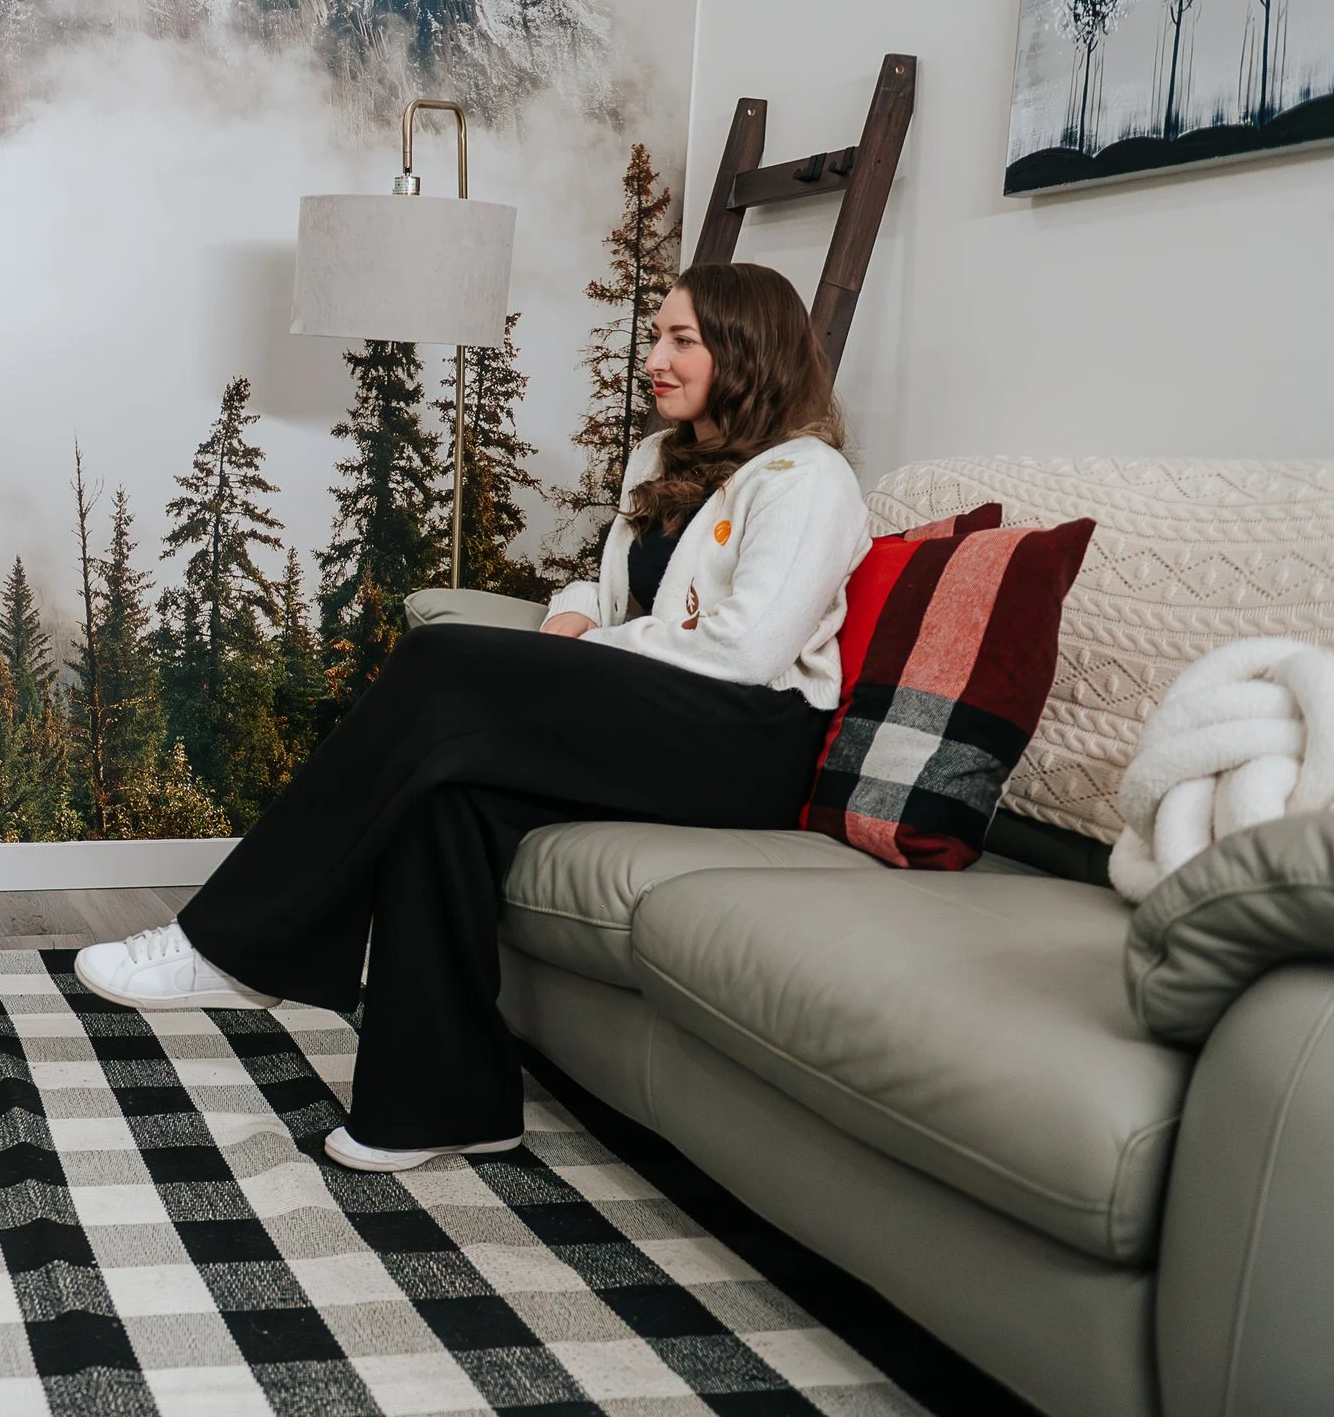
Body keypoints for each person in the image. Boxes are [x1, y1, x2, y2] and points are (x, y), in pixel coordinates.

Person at [75, 261, 869, 1172]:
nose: (655, 356)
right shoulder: (663, 459)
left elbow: (745, 651)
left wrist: (575, 656)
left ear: (746, 349)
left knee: (443, 659)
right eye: (656, 335)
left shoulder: (809, 478)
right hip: (663, 715)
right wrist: (574, 610)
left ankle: (238, 944)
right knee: (449, 792)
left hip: (747, 739)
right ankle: (439, 1103)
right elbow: (625, 589)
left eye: (681, 339)